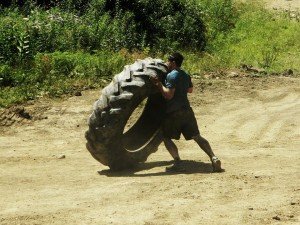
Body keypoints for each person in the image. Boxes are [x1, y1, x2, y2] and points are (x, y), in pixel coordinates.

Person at [151, 52, 222, 172]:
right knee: (197, 136)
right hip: (187, 111)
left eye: (168, 61)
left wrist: (159, 84)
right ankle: (213, 157)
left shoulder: (172, 75)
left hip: (173, 113)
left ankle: (177, 162)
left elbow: (168, 95)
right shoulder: (186, 74)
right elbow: (190, 90)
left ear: (173, 62)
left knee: (166, 137)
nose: (167, 63)